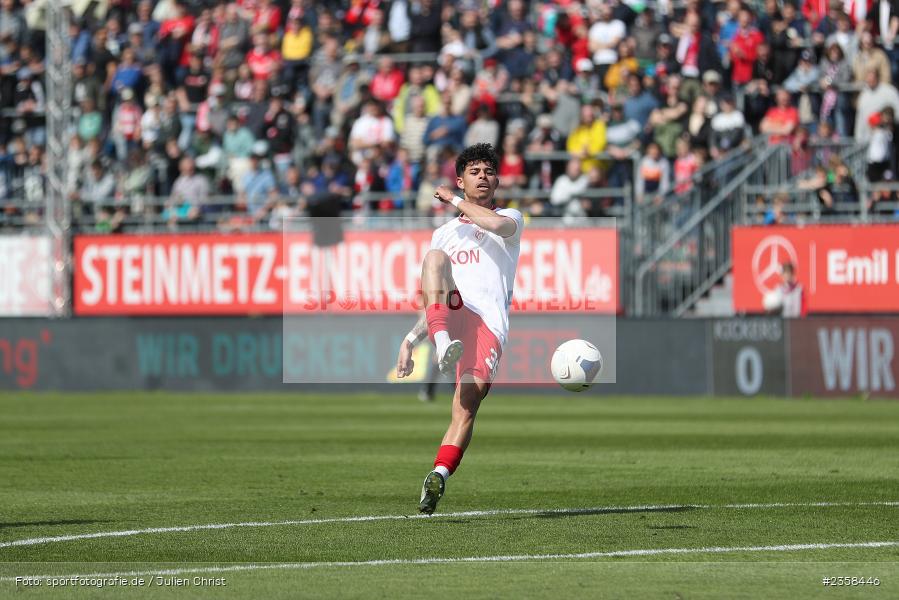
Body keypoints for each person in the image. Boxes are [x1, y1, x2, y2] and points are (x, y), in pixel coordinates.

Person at [395, 143, 524, 514]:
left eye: (488, 171)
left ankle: (438, 475)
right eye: (475, 171)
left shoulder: (510, 217)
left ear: (497, 180)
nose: (483, 176)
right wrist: (409, 339)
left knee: (466, 407)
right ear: (461, 179)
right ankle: (440, 343)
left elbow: (495, 224)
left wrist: (453, 200)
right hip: (453, 316)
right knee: (434, 259)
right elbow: (433, 294)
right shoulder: (445, 234)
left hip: (488, 325)